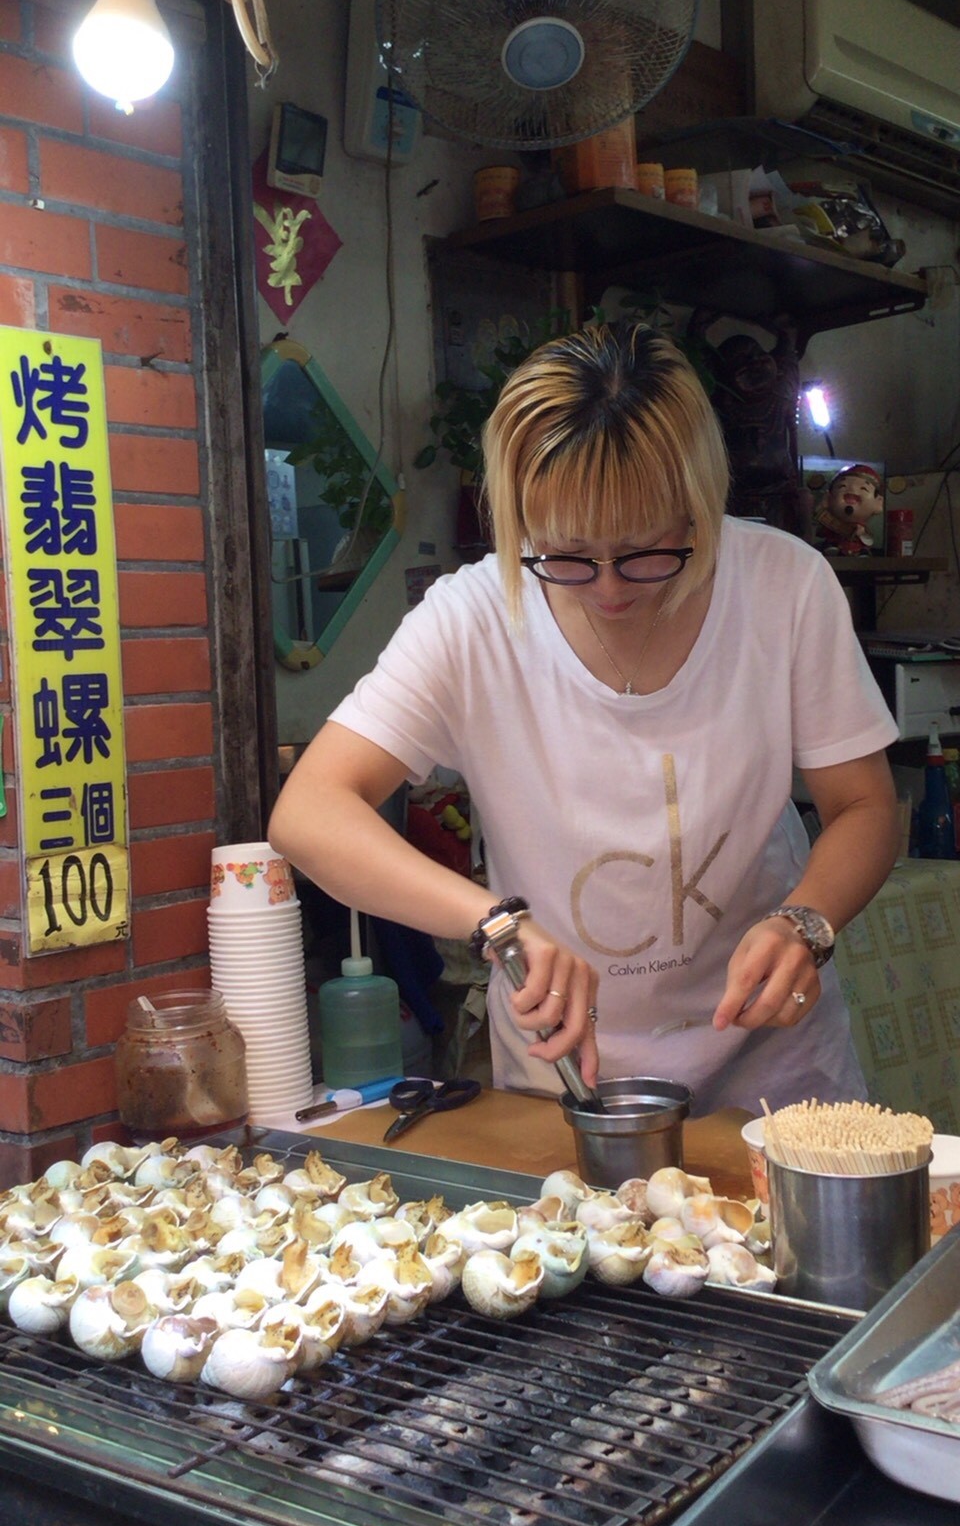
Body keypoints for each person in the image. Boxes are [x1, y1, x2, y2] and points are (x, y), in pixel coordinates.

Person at [269, 322, 900, 1115]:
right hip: (569, 1078)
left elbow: (866, 807)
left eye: (646, 551)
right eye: (565, 555)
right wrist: (494, 924)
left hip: (773, 1073)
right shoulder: (474, 617)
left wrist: (805, 922)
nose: (606, 588)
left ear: (699, 506)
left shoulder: (783, 587)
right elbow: (310, 812)